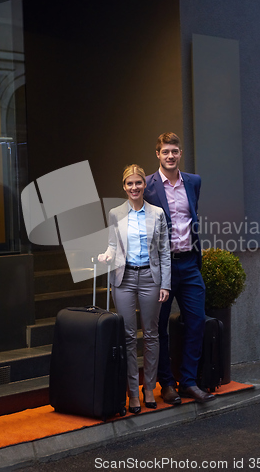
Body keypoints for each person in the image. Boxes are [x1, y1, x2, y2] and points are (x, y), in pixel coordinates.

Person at [144, 132, 215, 405]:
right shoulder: (148, 186)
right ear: (158, 155)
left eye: (174, 151)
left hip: (189, 264)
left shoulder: (193, 182)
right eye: (165, 152)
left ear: (180, 153)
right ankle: (167, 384)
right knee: (158, 327)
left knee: (197, 321)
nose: (170, 156)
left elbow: (191, 218)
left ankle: (188, 381)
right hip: (161, 269)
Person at [98, 164, 171, 414]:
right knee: (128, 337)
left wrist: (166, 284)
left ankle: (149, 388)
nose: (134, 187)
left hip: (151, 279)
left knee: (151, 335)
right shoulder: (115, 213)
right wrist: (106, 256)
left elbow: (164, 252)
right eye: (129, 183)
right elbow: (112, 245)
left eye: (138, 182)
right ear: (124, 186)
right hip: (124, 279)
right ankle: (132, 392)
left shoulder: (157, 213)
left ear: (144, 185)